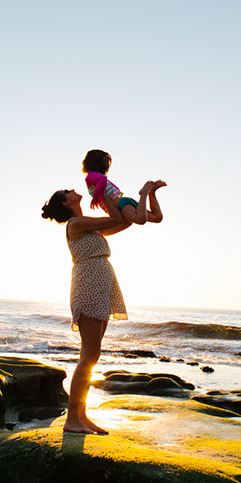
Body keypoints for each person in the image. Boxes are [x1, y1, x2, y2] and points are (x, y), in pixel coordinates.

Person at [41, 184, 153, 434]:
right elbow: (114, 218)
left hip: (101, 284)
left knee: (90, 355)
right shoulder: (76, 224)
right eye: (68, 191)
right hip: (89, 284)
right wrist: (102, 194)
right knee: (90, 355)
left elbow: (124, 222)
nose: (73, 189)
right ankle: (72, 420)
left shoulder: (87, 224)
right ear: (66, 203)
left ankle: (81, 416)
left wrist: (143, 195)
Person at [82, 149, 166, 225]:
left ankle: (144, 192)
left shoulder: (90, 176)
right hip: (124, 202)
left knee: (140, 219)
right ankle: (152, 192)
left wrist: (95, 198)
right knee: (157, 217)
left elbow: (102, 179)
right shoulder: (96, 176)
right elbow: (103, 180)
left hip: (121, 205)